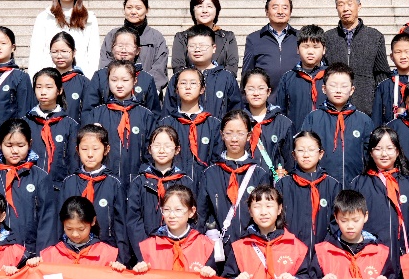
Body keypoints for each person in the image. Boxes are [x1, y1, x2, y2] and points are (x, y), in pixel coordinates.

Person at [0, 117, 53, 254]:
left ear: (30, 144)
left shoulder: (40, 177)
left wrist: (42, 255)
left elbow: (47, 220)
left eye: (20, 145)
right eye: (9, 145)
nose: (14, 151)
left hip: (29, 253)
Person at [199, 110, 272, 254]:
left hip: (251, 249)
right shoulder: (210, 173)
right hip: (218, 249)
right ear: (222, 135)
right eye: (229, 133)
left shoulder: (259, 173)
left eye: (240, 133)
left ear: (249, 136)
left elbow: (265, 213)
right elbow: (201, 215)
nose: (234, 139)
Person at [346, 127, 409, 262]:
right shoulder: (359, 183)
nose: (384, 154)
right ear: (371, 152)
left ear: (397, 151)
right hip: (370, 257)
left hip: (404, 256)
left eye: (389, 148)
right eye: (378, 149)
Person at [59, 124, 129, 265]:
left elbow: (120, 224)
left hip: (105, 255)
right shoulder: (69, 182)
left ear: (106, 149)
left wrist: (121, 259)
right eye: (84, 149)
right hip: (71, 254)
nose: (90, 154)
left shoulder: (114, 183)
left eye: (95, 149)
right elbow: (60, 221)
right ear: (77, 150)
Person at [125, 126, 195, 264]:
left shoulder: (185, 181)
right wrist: (146, 252)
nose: (161, 150)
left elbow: (193, 220)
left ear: (177, 149)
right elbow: (134, 221)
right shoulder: (139, 181)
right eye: (157, 146)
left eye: (167, 146)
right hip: (147, 253)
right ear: (149, 149)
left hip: (179, 251)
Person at [299, 63, 375, 189]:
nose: (338, 90)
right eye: (333, 85)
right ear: (324, 89)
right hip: (321, 186)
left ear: (352, 90)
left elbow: (370, 156)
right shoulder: (313, 118)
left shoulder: (364, 120)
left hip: (355, 186)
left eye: (344, 86)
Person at [83, 59, 157, 185]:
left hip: (136, 181)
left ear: (134, 81)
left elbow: (150, 152)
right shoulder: (97, 114)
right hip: (103, 182)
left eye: (125, 80)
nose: (119, 85)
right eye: (114, 80)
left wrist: (143, 176)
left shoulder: (146, 115)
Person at [323, 0, 392, 116]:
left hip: (366, 107)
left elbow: (381, 73)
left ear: (359, 6)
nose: (345, 8)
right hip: (333, 108)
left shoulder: (374, 36)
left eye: (350, 4)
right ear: (336, 8)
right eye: (341, 4)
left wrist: (381, 104)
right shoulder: (328, 37)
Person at [29, 0, 100, 78]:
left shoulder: (89, 18)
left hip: (80, 79)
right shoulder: (44, 17)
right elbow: (36, 53)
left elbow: (93, 54)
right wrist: (34, 80)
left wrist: (90, 82)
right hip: (49, 79)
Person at [162, 25, 243, 119]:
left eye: (202, 46)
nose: (197, 49)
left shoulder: (226, 78)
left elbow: (236, 112)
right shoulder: (179, 77)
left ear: (214, 48)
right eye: (192, 46)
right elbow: (168, 112)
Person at [278, 131, 340, 246]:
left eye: (311, 150)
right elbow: (277, 219)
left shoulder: (332, 185)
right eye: (301, 150)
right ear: (294, 155)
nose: (306, 155)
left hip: (323, 250)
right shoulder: (284, 184)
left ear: (320, 154)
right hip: (290, 249)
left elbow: (337, 221)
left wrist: (326, 246)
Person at [98, 0, 169, 91]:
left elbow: (159, 68)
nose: (133, 11)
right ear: (124, 9)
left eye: (138, 8)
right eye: (129, 7)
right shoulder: (112, 35)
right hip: (117, 92)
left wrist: (146, 90)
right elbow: (105, 63)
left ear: (147, 10)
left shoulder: (156, 37)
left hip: (148, 92)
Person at [160, 67, 220, 181]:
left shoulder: (213, 124)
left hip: (205, 183)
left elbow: (217, 160)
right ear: (176, 89)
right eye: (183, 83)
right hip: (174, 185)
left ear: (202, 89)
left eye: (193, 83)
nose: (188, 87)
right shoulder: (166, 123)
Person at [87, 28, 162, 112]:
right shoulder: (100, 76)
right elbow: (89, 110)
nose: (123, 50)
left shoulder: (146, 79)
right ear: (112, 48)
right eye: (120, 46)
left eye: (128, 46)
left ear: (138, 50)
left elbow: (154, 112)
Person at [27, 67, 78, 184]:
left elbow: (73, 160)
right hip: (30, 184)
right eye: (39, 87)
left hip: (58, 185)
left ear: (59, 90)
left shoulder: (70, 124)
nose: (43, 92)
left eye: (49, 87)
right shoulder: (26, 122)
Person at [272, 24, 329, 129]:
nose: (310, 52)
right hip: (297, 134)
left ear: (324, 50)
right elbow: (281, 111)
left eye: (316, 47)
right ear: (298, 49)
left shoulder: (331, 77)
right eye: (305, 46)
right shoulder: (288, 78)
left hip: (326, 133)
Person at [371, 33, 409, 127]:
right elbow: (377, 119)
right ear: (391, 56)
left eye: (407, 51)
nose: (403, 56)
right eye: (398, 52)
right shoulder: (384, 86)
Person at [242, 0, 300, 90]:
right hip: (265, 97)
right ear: (267, 11)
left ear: (290, 12)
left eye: (285, 8)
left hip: (296, 95)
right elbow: (247, 73)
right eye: (275, 7)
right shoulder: (254, 39)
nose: (280, 11)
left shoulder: (300, 37)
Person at [0, 25, 36, 126]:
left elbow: (25, 110)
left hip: (8, 131)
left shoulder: (20, 76)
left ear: (13, 48)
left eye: (3, 43)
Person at [243, 69, 293, 178]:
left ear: (268, 91)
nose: (256, 93)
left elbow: (290, 161)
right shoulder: (238, 121)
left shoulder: (283, 123)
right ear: (244, 91)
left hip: (272, 183)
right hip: (243, 182)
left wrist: (284, 175)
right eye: (251, 89)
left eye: (261, 88)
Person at [173, 0, 238, 74]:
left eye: (209, 6)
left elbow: (232, 68)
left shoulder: (228, 37)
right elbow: (178, 68)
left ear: (216, 10)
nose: (204, 10)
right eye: (200, 6)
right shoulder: (182, 37)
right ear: (193, 10)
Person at [49, 32, 92, 125]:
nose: (59, 56)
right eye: (54, 52)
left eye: (64, 51)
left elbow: (88, 113)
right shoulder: (46, 79)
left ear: (74, 52)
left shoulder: (84, 82)